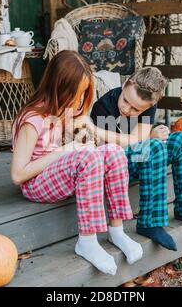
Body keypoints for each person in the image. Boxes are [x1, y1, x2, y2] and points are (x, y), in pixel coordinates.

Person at [10, 50, 143, 275]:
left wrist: (85, 141)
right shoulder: (32, 120)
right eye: (77, 93)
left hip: (62, 175)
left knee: (114, 152)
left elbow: (77, 149)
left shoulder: (66, 111)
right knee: (88, 157)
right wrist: (65, 151)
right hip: (35, 183)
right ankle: (88, 241)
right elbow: (18, 175)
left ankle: (117, 230)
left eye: (83, 94)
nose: (80, 100)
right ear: (59, 87)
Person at [87, 67, 182, 251]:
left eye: (135, 109)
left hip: (139, 157)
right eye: (125, 101)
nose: (126, 108)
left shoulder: (148, 103)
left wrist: (147, 136)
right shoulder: (104, 105)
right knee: (153, 147)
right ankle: (149, 222)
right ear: (124, 85)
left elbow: (139, 137)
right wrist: (149, 137)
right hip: (115, 164)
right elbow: (115, 148)